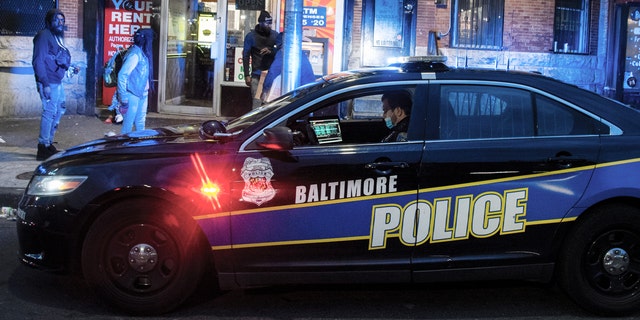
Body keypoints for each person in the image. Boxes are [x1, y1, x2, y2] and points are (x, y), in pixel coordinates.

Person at [32, 8, 78, 161]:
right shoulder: (43, 36)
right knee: (49, 112)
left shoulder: (55, 37)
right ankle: (43, 146)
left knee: (59, 110)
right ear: (49, 22)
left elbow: (57, 58)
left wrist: (70, 68)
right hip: (49, 82)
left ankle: (48, 142)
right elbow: (38, 61)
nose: (60, 23)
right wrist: (44, 83)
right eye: (57, 20)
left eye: (62, 20)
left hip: (56, 81)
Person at [116, 28, 155, 134]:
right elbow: (122, 75)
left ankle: (139, 147)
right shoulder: (135, 54)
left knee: (140, 123)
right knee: (127, 127)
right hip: (132, 94)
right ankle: (123, 149)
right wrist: (123, 97)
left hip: (142, 93)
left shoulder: (141, 52)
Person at [262, 32, 316, 102]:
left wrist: (265, 90)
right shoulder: (300, 52)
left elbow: (272, 73)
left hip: (298, 93)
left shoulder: (283, 52)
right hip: (309, 90)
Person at [243, 10, 278, 109]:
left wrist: (271, 51)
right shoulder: (251, 36)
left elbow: (281, 52)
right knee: (257, 103)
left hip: (271, 75)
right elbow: (246, 56)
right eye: (267, 23)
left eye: (270, 23)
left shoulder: (275, 35)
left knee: (270, 103)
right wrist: (246, 75)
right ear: (261, 23)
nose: (269, 26)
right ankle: (256, 123)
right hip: (257, 75)